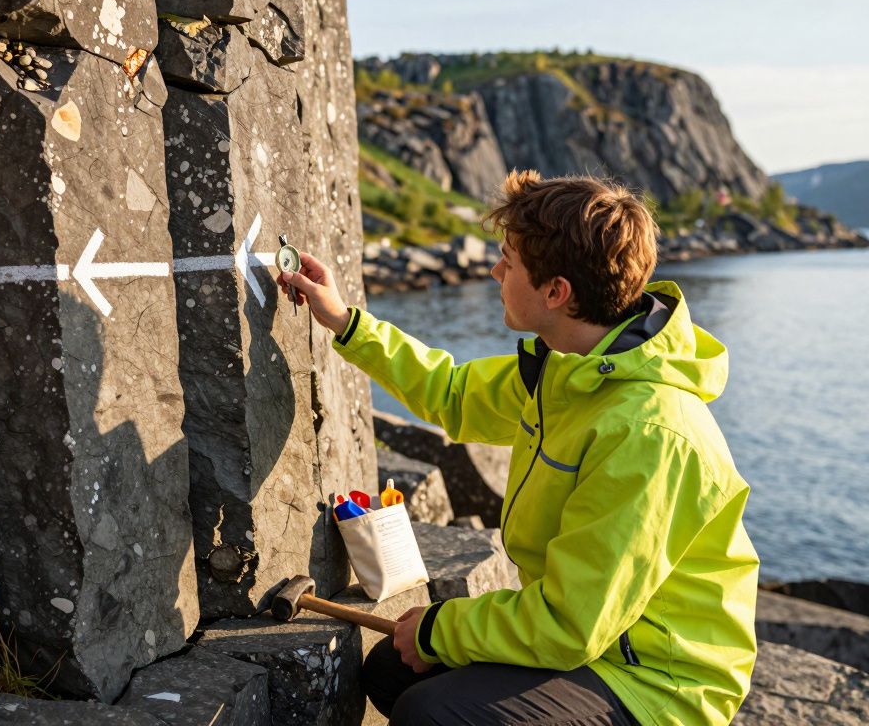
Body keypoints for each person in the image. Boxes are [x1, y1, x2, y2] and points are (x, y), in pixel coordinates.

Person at [276, 171, 759, 725]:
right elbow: (452, 394)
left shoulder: (647, 432)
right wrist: (344, 320)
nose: (494, 270)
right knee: (391, 668)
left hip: (660, 682)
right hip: (598, 643)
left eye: (508, 260)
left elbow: (571, 624)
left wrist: (440, 629)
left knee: (432, 714)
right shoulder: (566, 370)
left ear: (556, 292)